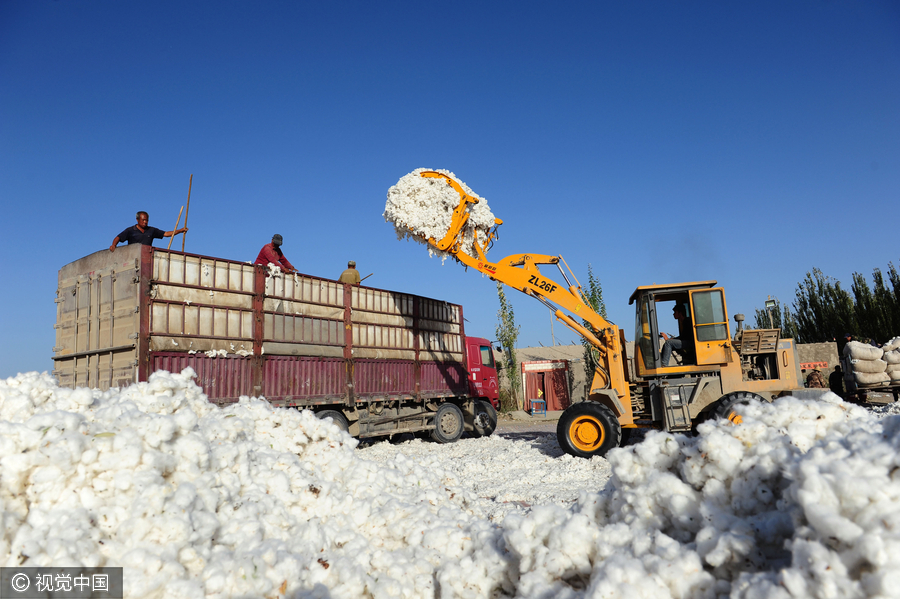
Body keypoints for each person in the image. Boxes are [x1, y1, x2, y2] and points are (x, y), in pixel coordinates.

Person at [110, 211, 187, 252]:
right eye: (143, 220)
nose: (145, 222)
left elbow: (166, 234)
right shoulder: (130, 230)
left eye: (146, 220)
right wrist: (114, 245)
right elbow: (118, 237)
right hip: (133, 256)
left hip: (147, 256)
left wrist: (180, 230)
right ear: (137, 220)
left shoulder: (151, 230)